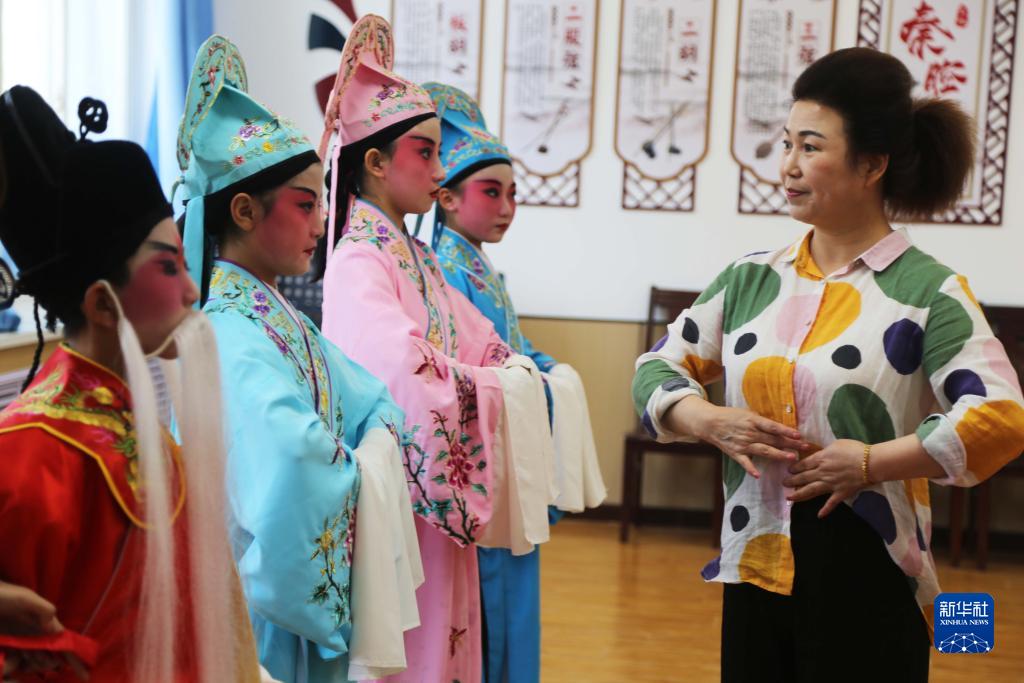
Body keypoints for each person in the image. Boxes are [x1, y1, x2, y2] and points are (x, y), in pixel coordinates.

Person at [632, 47, 1024, 682]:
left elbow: (1001, 417)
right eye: (787, 143)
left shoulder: (930, 291)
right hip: (754, 559)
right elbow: (656, 369)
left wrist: (871, 462)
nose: (787, 164)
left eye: (810, 147)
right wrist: (709, 421)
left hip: (871, 567)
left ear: (871, 164)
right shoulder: (748, 279)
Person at [317, 15, 557, 683]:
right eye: (424, 152)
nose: (439, 167)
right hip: (403, 503)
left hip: (434, 506)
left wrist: (507, 368)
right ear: (374, 162)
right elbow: (401, 372)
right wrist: (496, 384)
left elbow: (477, 338)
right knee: (412, 651)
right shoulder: (359, 259)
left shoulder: (416, 257)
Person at [176, 34, 420, 683]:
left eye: (320, 204)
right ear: (244, 210)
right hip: (254, 609)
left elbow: (372, 398)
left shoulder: (278, 318)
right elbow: (293, 463)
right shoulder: (228, 333)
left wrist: (368, 446)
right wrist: (366, 459)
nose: (320, 224)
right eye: (306, 205)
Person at [0, 86, 262, 682]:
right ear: (101, 304)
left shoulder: (144, 435)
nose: (191, 291)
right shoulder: (26, 454)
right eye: (168, 266)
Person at [426, 82, 605, 683]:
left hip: (508, 453)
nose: (506, 206)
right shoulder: (446, 270)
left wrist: (550, 370)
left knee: (508, 600)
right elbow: (466, 368)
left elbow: (513, 348)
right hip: (486, 462)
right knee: (491, 607)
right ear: (447, 198)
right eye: (491, 191)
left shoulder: (477, 265)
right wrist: (536, 381)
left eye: (512, 194)